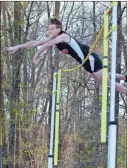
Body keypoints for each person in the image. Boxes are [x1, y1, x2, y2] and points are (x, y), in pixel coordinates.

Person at [5, 18, 127, 95]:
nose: (49, 32)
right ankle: (124, 77)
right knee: (100, 76)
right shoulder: (54, 37)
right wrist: (16, 47)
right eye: (49, 30)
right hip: (86, 61)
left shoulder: (63, 37)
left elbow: (48, 44)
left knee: (107, 83)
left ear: (59, 29)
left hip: (90, 59)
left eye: (52, 29)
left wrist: (37, 54)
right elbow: (35, 42)